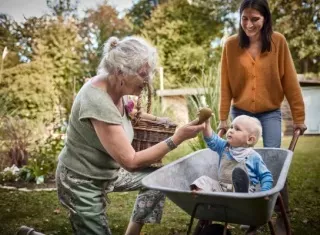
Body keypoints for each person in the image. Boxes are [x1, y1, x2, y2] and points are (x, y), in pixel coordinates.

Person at [55, 36, 205, 235]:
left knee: (158, 179)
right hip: (81, 180)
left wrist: (162, 122)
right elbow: (131, 162)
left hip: (108, 173)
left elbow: (133, 113)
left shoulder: (118, 89)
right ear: (120, 72)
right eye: (144, 74)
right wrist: (177, 138)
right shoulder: (97, 101)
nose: (148, 80)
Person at [218, 0, 307, 147]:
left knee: (272, 157)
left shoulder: (278, 42)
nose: (249, 24)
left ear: (265, 19)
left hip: (270, 113)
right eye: (244, 18)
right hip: (240, 112)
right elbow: (225, 85)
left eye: (255, 19)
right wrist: (223, 118)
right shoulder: (230, 45)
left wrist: (299, 118)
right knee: (238, 159)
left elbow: (290, 82)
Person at [190, 115, 273, 194]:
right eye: (231, 127)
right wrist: (206, 124)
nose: (231, 130)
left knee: (243, 184)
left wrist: (265, 192)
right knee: (204, 180)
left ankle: (241, 194)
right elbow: (212, 139)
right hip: (222, 188)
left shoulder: (254, 157)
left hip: (247, 192)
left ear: (250, 140)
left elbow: (265, 176)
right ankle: (200, 193)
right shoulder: (224, 147)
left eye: (237, 129)